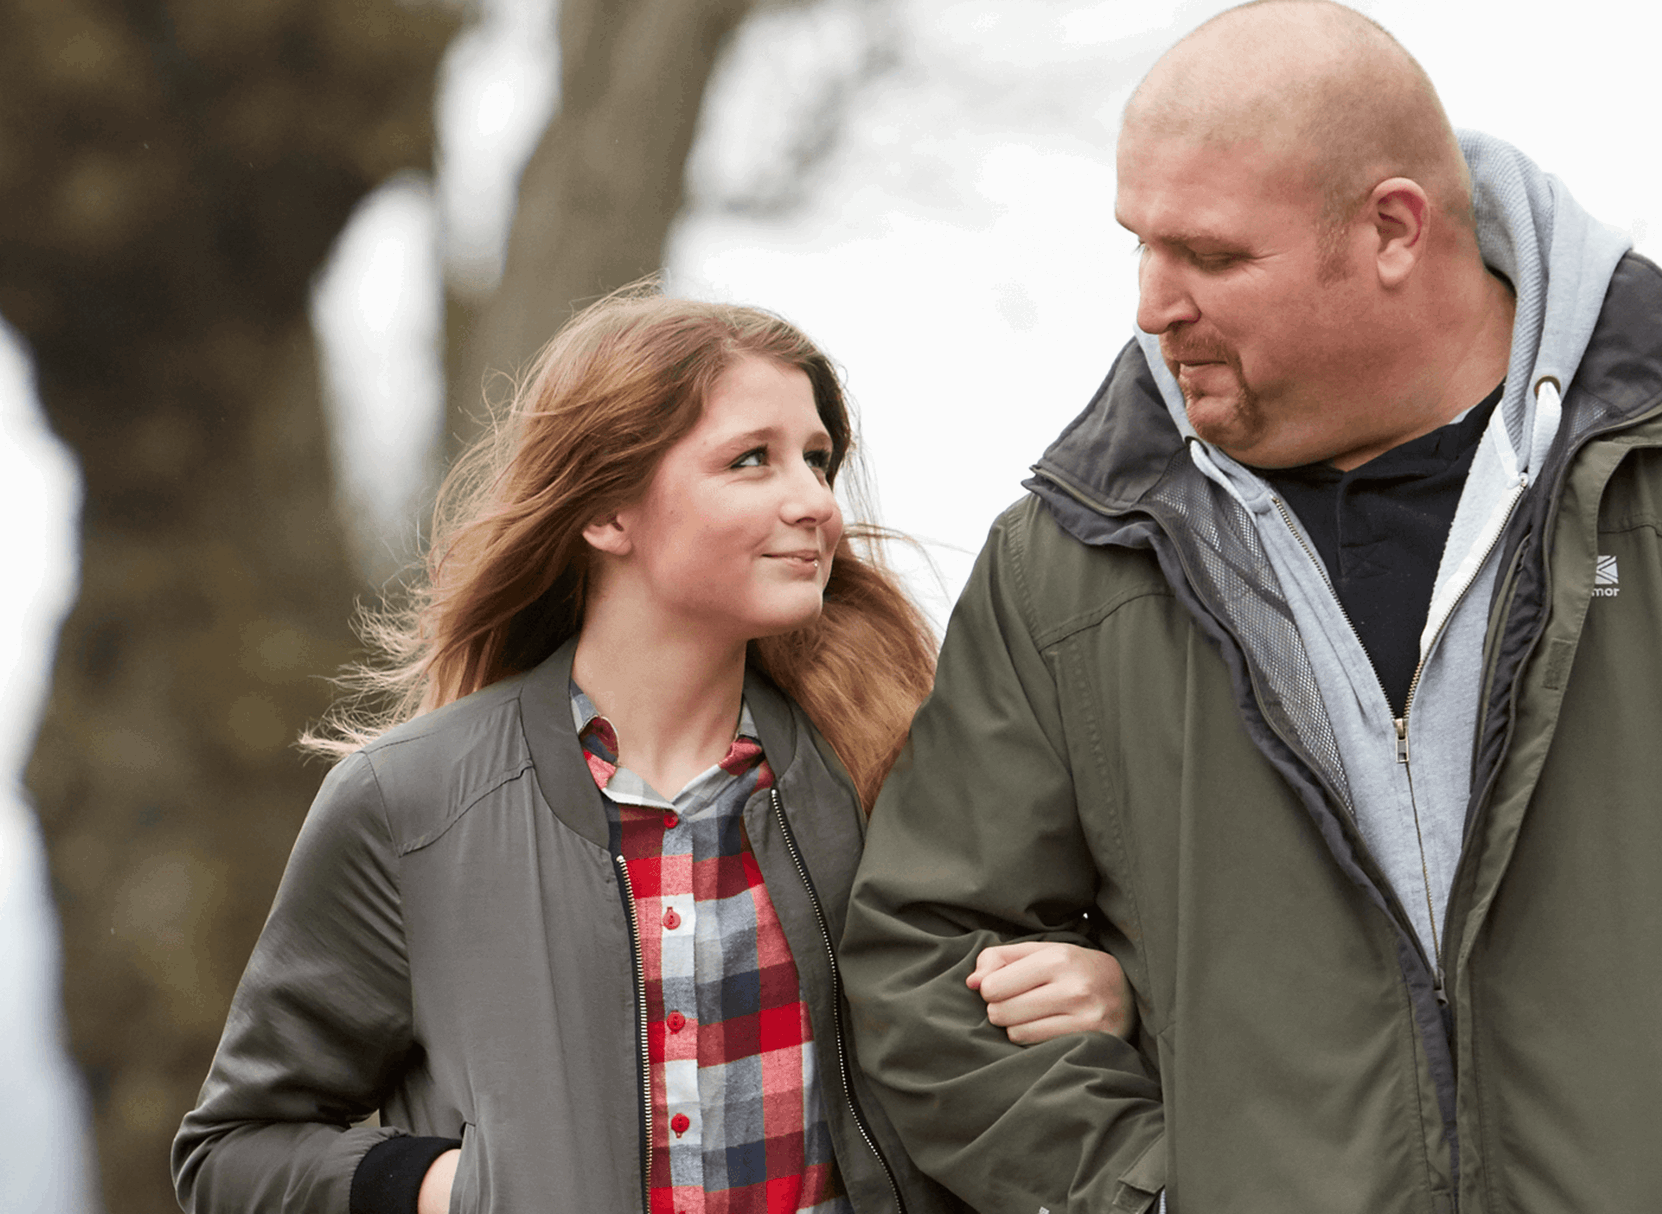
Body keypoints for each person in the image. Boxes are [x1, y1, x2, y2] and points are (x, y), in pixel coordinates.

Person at [840, 0, 1662, 1212]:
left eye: (1210, 255)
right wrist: (1147, 1193)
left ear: (1394, 229)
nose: (1152, 303)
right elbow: (927, 959)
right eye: (1141, 243)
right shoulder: (1071, 558)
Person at [171, 289, 1135, 1214]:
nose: (815, 503)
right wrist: (451, 1191)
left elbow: (1041, 1012)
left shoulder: (895, 767)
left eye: (817, 460)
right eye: (752, 460)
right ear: (607, 514)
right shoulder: (410, 803)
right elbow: (234, 1151)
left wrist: (1106, 990)